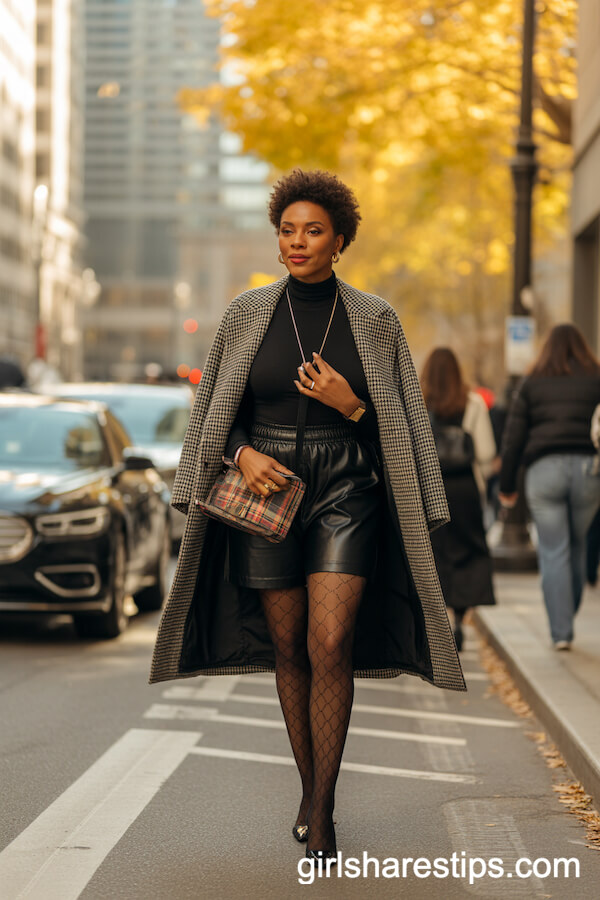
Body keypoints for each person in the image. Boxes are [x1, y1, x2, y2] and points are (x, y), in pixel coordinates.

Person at [149, 169, 465, 861]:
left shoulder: (375, 318)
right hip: (264, 492)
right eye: (287, 230)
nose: (297, 242)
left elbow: (402, 424)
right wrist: (241, 456)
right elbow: (217, 410)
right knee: (289, 647)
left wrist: (350, 404)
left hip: (346, 487)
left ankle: (322, 811)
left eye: (313, 230)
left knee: (330, 641)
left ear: (340, 240)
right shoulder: (247, 313)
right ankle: (309, 787)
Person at [499, 323, 600, 650]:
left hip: (544, 471)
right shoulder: (596, 377)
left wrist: (507, 484)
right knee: (578, 544)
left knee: (554, 549)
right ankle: (567, 612)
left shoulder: (533, 381)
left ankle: (561, 631)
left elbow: (514, 436)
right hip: (588, 470)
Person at [421, 349, 497, 651]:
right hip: (465, 489)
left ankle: (435, 623)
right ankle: (458, 621)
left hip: (429, 487)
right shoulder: (473, 403)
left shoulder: (418, 401)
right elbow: (486, 452)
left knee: (432, 553)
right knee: (466, 552)